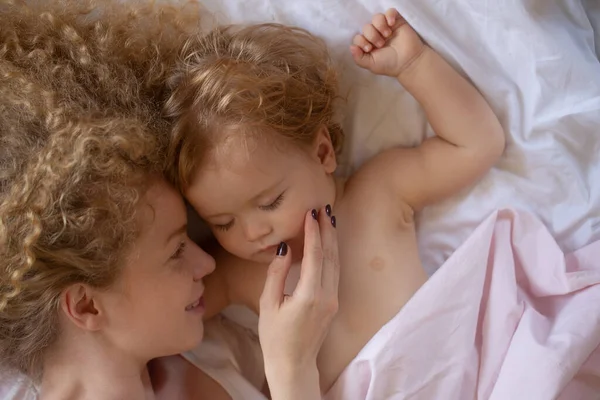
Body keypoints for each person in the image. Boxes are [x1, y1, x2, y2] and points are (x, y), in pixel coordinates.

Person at [0, 1, 338, 399]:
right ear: (87, 306)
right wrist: (292, 373)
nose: (208, 262)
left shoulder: (197, 354)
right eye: (177, 250)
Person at [164, 7, 506, 392]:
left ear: (323, 152)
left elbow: (476, 145)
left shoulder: (377, 193)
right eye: (222, 222)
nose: (254, 231)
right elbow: (159, 317)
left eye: (271, 201)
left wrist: (413, 63)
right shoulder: (238, 271)